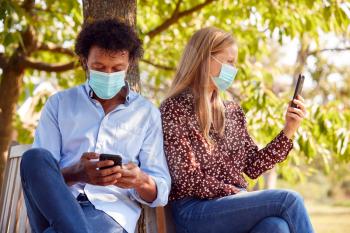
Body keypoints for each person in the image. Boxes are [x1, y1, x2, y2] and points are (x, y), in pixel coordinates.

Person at [20, 19, 171, 233]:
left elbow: (161, 191)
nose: (108, 75)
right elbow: (40, 175)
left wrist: (140, 180)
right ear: (84, 62)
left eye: (117, 68)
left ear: (129, 65)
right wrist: (77, 174)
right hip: (53, 207)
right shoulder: (59, 104)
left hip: (109, 212)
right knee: (34, 158)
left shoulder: (146, 114)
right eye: (99, 67)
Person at [160, 27, 314, 233]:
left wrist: (289, 129)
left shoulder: (232, 111)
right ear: (205, 59)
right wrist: (236, 193)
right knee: (289, 200)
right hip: (194, 212)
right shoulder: (174, 108)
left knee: (276, 227)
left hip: (229, 207)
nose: (233, 69)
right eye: (229, 61)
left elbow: (252, 166)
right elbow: (187, 179)